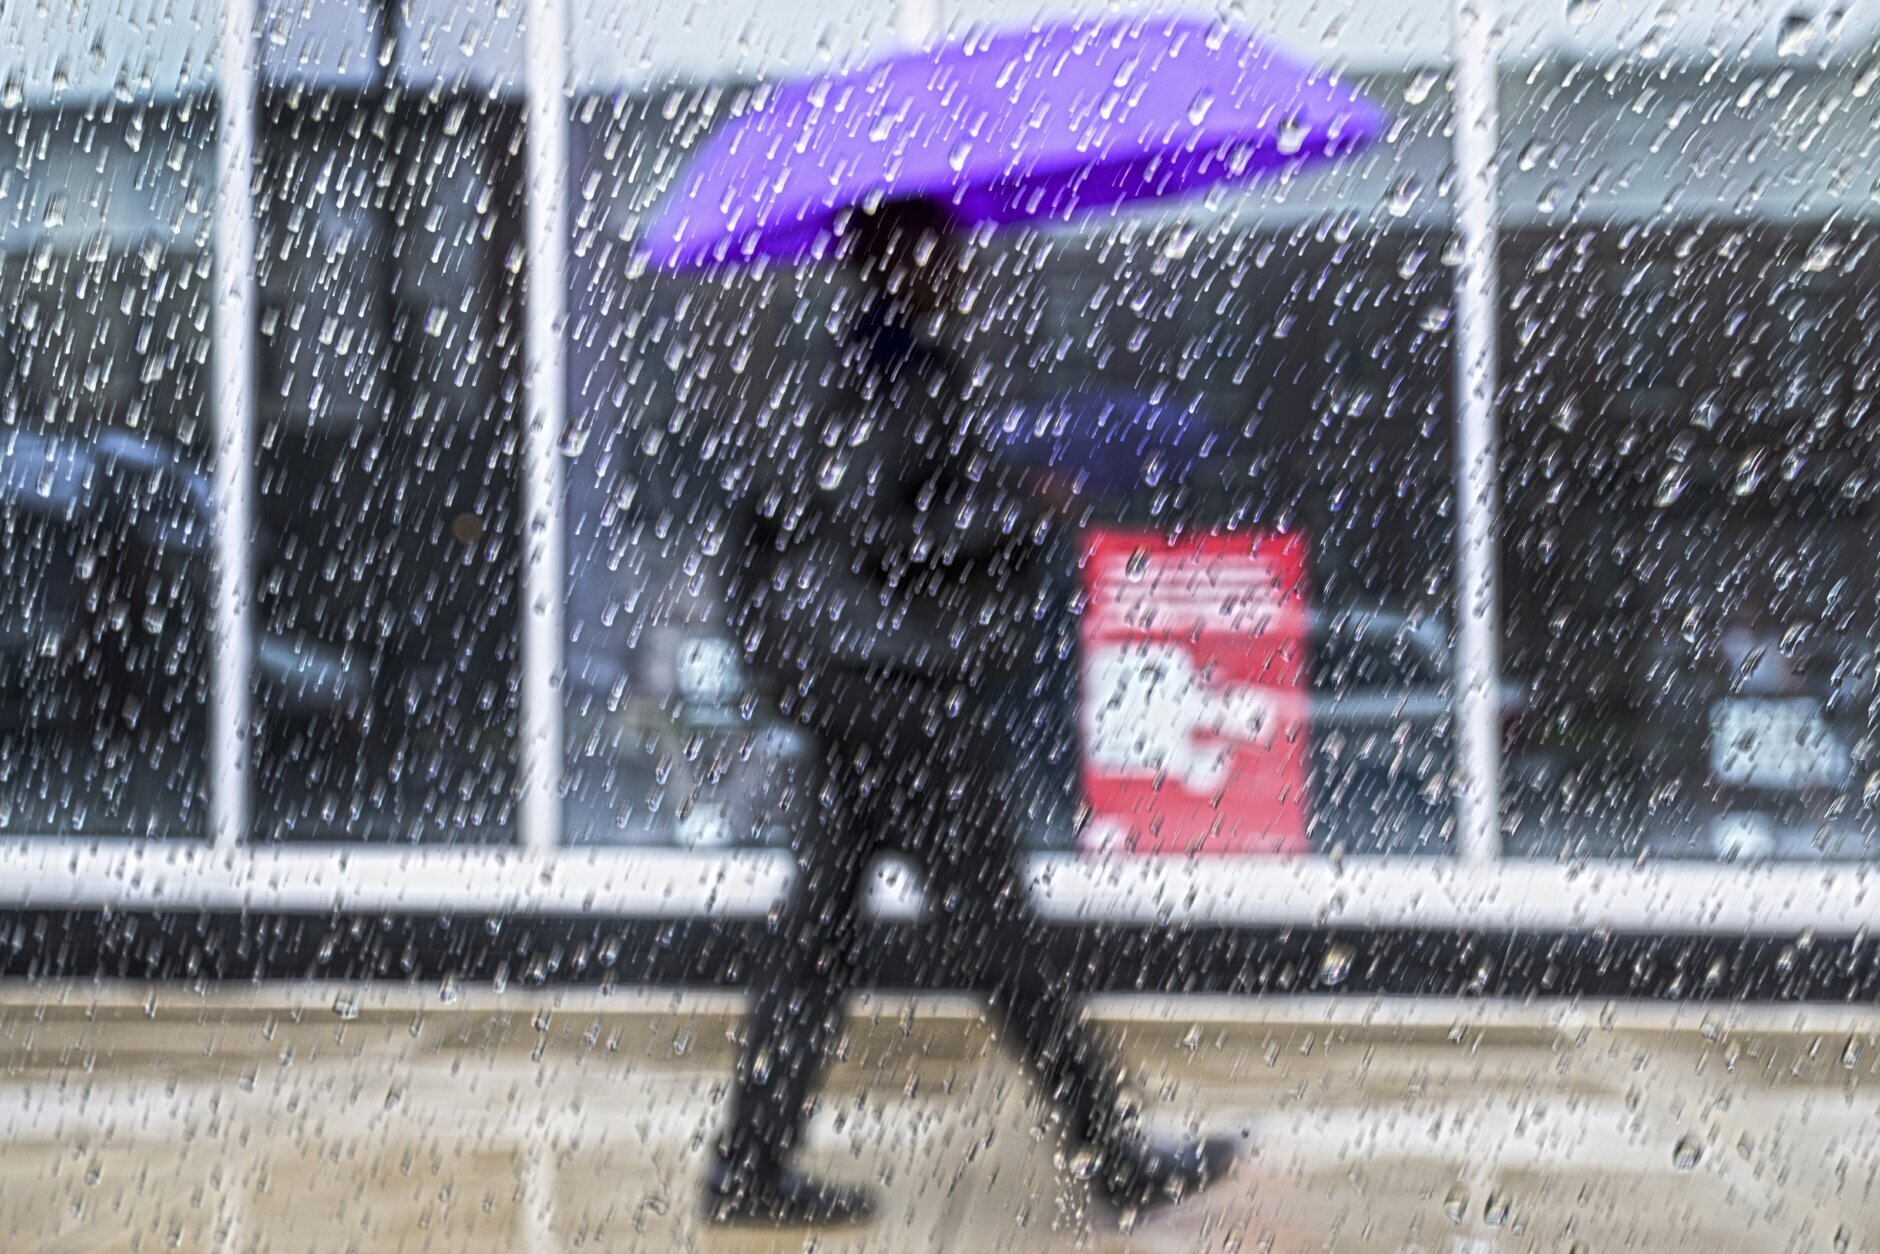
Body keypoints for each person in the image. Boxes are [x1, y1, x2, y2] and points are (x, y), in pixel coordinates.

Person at [705, 197, 1237, 1225]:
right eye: (940, 247)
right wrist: (1015, 512)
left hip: (862, 689)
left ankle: (748, 1164)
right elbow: (878, 529)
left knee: (819, 937)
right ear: (893, 257)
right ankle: (1114, 1154)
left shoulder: (860, 365)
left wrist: (990, 490)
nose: (962, 264)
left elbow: (836, 518)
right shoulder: (890, 373)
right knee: (994, 936)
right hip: (906, 696)